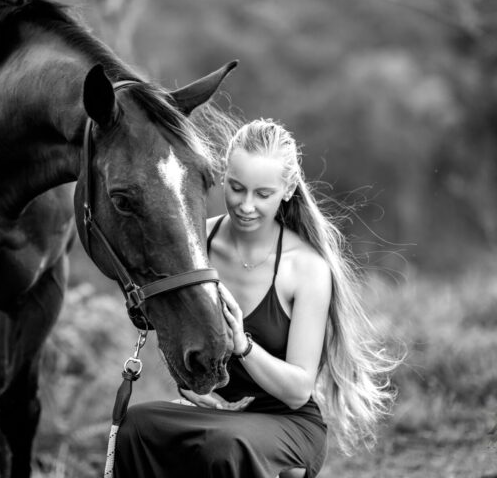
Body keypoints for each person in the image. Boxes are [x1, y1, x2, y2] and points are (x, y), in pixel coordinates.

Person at [114, 119, 400, 478]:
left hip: (286, 423)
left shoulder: (306, 268)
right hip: (216, 416)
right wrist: (191, 389)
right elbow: (175, 324)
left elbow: (298, 390)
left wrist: (242, 347)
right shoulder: (196, 245)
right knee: (136, 426)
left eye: (262, 194)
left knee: (226, 446)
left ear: (288, 188)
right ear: (223, 178)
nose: (246, 205)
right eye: (236, 188)